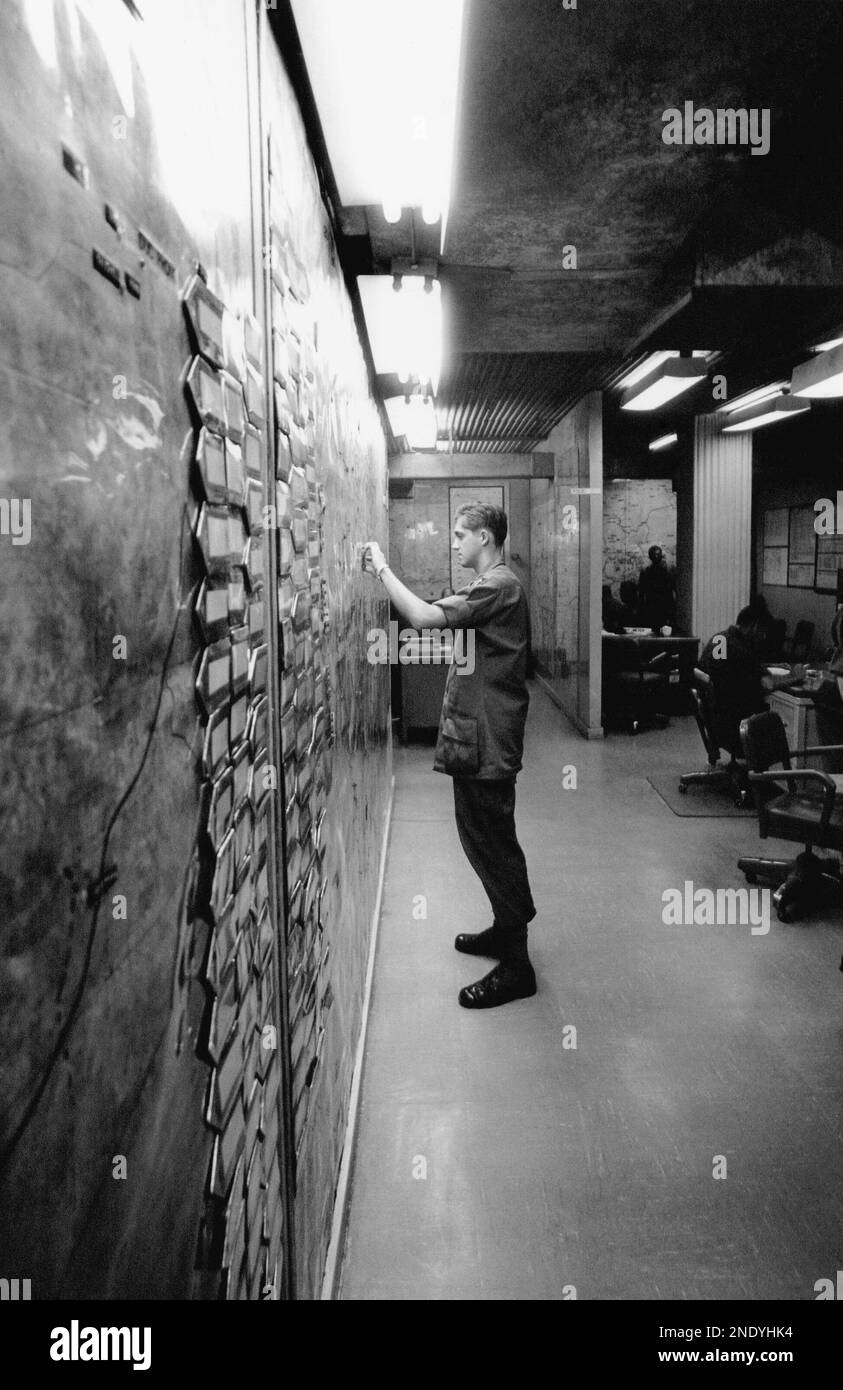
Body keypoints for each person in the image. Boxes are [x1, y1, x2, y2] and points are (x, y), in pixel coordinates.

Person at [362, 503, 537, 1009]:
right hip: (477, 737)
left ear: (485, 537)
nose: (455, 543)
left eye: (461, 535)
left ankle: (517, 966)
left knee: (494, 844)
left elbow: (420, 618)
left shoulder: (500, 584)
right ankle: (506, 934)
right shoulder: (491, 587)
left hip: (488, 740)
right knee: (480, 840)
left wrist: (381, 568)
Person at [698, 605, 804, 757]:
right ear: (755, 626)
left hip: (714, 719)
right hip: (735, 723)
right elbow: (768, 684)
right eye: (763, 631)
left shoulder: (719, 639)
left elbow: (731, 667)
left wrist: (767, 666)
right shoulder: (741, 649)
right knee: (775, 712)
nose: (764, 637)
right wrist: (796, 677)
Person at [638, 545, 676, 631]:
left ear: (661, 555)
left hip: (666, 605)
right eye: (653, 555)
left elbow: (675, 588)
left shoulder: (669, 570)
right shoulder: (646, 572)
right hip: (651, 606)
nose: (656, 557)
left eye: (658, 554)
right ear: (650, 557)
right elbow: (641, 591)